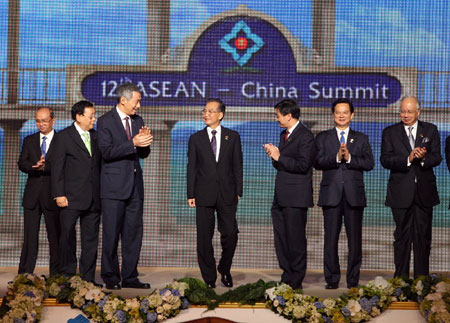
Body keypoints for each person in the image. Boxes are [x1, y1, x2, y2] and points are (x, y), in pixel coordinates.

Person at [314, 98, 374, 289]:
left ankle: (352, 280)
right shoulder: (323, 137)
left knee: (355, 242)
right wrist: (335, 158)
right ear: (333, 115)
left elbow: (369, 163)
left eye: (345, 112)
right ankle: (332, 280)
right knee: (330, 241)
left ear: (352, 115)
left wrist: (349, 158)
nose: (341, 115)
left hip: (353, 197)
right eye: (338, 112)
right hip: (331, 195)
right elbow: (317, 162)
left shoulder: (362, 138)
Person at [98, 82, 152, 290]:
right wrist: (133, 143)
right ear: (123, 100)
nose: (138, 105)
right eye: (137, 101)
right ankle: (111, 277)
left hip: (135, 187)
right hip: (113, 188)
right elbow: (107, 152)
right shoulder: (105, 121)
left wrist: (145, 143)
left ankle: (130, 276)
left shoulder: (138, 120)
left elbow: (142, 154)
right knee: (111, 234)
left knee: (133, 234)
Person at [380, 96, 441, 278]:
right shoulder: (390, 132)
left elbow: (437, 157)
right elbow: (385, 160)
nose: (405, 115)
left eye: (409, 111)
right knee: (401, 239)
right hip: (400, 194)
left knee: (423, 238)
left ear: (418, 112)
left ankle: (422, 281)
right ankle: (401, 281)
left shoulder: (430, 130)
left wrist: (422, 158)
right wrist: (409, 158)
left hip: (424, 193)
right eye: (402, 111)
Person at [187, 98, 243, 288]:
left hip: (228, 194)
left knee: (230, 233)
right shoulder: (195, 138)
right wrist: (190, 193)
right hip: (203, 194)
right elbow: (192, 168)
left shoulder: (233, 136)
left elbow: (238, 165)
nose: (206, 114)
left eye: (210, 111)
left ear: (221, 115)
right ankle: (209, 277)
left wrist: (239, 191)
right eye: (204, 111)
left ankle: (224, 268)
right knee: (204, 237)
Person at [263, 99, 315, 290]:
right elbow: (283, 164)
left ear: (288, 115)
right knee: (282, 239)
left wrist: (280, 157)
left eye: (278, 115)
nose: (276, 119)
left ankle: (296, 279)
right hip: (281, 197)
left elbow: (303, 165)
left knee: (295, 240)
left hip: (296, 198)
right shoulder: (284, 134)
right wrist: (274, 155)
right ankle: (286, 275)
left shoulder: (306, 136)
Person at [51, 101, 101, 285]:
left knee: (91, 242)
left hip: (93, 198)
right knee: (67, 238)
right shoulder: (64, 136)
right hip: (70, 198)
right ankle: (68, 278)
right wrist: (59, 194)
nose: (94, 119)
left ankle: (87, 279)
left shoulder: (96, 136)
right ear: (79, 117)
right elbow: (57, 168)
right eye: (91, 116)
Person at [18, 107, 60, 276]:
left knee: (55, 239)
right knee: (29, 239)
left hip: (52, 195)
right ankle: (24, 276)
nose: (40, 124)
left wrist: (46, 167)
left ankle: (56, 278)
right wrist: (34, 167)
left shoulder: (61, 140)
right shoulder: (29, 140)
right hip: (32, 197)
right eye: (37, 121)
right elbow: (22, 163)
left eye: (44, 121)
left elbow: (64, 166)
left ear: (53, 121)